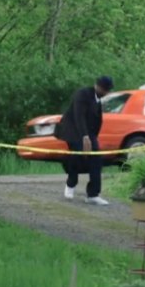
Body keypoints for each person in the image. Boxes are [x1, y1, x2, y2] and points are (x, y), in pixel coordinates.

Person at [55, 76, 114, 205]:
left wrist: (93, 139)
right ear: (97, 86)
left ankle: (93, 194)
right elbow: (78, 116)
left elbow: (96, 121)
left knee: (96, 160)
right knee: (76, 158)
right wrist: (85, 137)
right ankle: (71, 184)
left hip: (88, 133)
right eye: (104, 90)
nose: (105, 93)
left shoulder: (98, 100)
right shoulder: (82, 94)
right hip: (72, 130)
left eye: (107, 91)